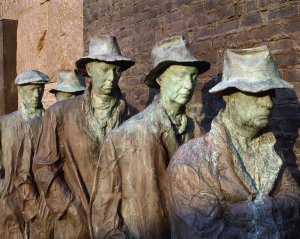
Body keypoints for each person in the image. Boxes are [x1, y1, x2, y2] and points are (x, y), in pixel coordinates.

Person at [167, 46, 300, 239]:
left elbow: (294, 202)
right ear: (228, 95)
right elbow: (206, 233)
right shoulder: (192, 162)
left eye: (271, 93)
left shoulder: (271, 149)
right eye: (257, 92)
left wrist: (249, 213)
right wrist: (273, 208)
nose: (268, 103)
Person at [90, 36, 210, 239]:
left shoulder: (199, 134)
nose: (189, 85)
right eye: (180, 76)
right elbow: (104, 215)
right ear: (160, 79)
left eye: (193, 76)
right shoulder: (126, 136)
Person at [33, 35, 134, 239]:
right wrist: (69, 206)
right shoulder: (60, 114)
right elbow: (43, 167)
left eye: (116, 70)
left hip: (119, 226)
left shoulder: (134, 117)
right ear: (89, 70)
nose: (111, 77)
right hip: (75, 225)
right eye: (105, 70)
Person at [0, 70, 51, 238]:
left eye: (39, 89)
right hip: (10, 199)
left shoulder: (50, 121)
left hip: (42, 201)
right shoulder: (5, 123)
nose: (36, 94)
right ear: (20, 91)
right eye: (31, 90)